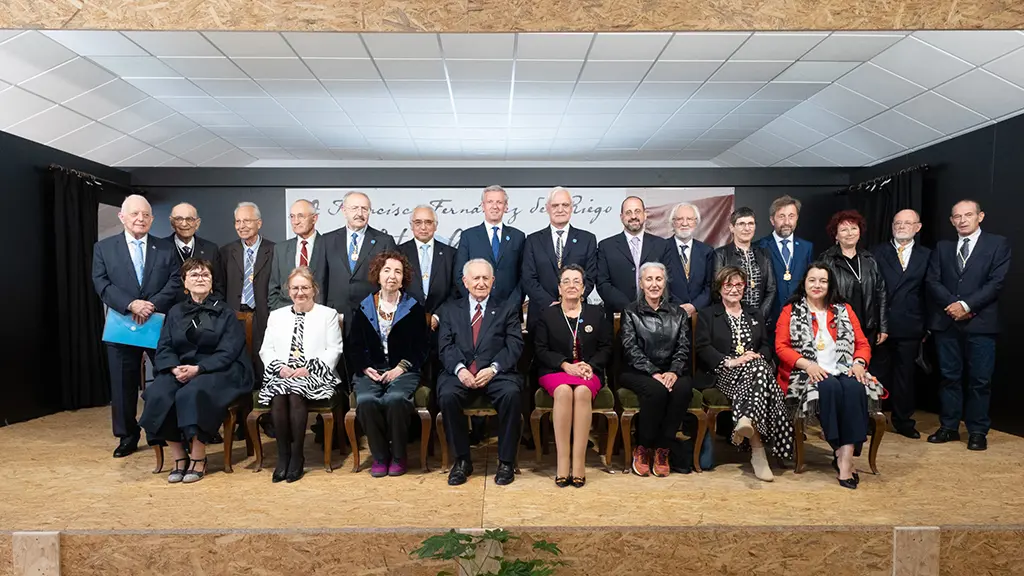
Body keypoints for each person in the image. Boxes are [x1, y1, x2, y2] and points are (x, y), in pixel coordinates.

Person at [139, 258, 253, 483]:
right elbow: (165, 346)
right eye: (194, 275)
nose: (200, 279)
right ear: (184, 282)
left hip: (218, 369)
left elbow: (229, 350)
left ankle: (199, 457)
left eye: (205, 275)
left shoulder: (225, 312)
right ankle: (179, 457)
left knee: (192, 393)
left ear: (212, 282)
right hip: (180, 367)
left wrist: (199, 369)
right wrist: (174, 368)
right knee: (158, 393)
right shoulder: (175, 312)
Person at [775, 263, 884, 489]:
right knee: (829, 387)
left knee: (855, 388)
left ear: (830, 284)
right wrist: (808, 365)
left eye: (823, 281)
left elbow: (862, 343)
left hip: (844, 368)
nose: (817, 285)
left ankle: (845, 456)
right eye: (812, 280)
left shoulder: (844, 309)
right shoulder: (790, 310)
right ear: (804, 283)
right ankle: (839, 449)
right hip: (805, 371)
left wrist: (859, 363)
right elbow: (781, 347)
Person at [92, 194, 181, 458]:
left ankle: (163, 430)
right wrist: (131, 304)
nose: (140, 219)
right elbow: (101, 283)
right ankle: (127, 436)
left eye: (145, 215)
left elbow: (175, 281)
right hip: (122, 325)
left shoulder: (165, 248)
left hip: (157, 323)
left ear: (152, 219)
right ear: (122, 217)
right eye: (134, 214)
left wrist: (150, 305)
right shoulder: (104, 248)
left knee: (166, 378)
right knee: (123, 385)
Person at [926, 200, 1010, 451]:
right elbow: (933, 281)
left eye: (968, 215)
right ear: (951, 221)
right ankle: (949, 427)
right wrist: (954, 306)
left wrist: (966, 305)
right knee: (949, 378)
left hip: (981, 323)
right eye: (957, 216)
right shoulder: (942, 247)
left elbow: (996, 282)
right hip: (947, 323)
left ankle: (977, 431)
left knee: (980, 381)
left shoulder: (997, 244)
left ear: (980, 216)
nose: (962, 220)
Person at [695, 266, 793, 482]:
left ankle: (747, 420)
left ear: (745, 287)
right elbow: (703, 347)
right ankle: (758, 451)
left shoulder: (754, 313)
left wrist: (757, 356)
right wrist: (731, 361)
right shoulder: (708, 314)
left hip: (754, 371)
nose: (734, 289)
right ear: (719, 288)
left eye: (739, 284)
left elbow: (766, 345)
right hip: (722, 372)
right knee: (760, 372)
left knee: (758, 367)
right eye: (728, 284)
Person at [436, 259, 524, 486]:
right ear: (465, 282)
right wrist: (460, 369)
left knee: (511, 394)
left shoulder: (507, 308)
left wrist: (494, 368)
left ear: (493, 281)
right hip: (461, 372)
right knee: (447, 395)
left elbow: (515, 345)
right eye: (476, 278)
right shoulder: (450, 309)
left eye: (486, 278)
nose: (481, 283)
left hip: (496, 372)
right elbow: (445, 346)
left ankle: (506, 462)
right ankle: (462, 461)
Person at [258, 267, 343, 483]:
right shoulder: (276, 316)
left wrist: (309, 369)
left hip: (316, 373)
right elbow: (266, 350)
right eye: (295, 288)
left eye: (305, 287)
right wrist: (280, 367)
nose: (300, 292)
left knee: (296, 393)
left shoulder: (328, 315)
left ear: (314, 289)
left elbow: (334, 349)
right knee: (279, 394)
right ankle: (283, 456)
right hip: (283, 372)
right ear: (288, 291)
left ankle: (297, 456)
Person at [347, 251, 428, 477]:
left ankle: (399, 456)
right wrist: (365, 367)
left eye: (398, 272)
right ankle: (380, 456)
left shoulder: (413, 307)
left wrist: (400, 368)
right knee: (366, 400)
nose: (392, 276)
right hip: (370, 370)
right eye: (387, 270)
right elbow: (354, 345)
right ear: (378, 275)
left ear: (404, 278)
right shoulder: (365, 306)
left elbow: (421, 347)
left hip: (404, 370)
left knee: (396, 399)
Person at [533, 264, 612, 487]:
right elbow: (540, 349)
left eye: (577, 281)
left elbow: (606, 348)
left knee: (583, 392)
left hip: (588, 370)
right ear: (559, 288)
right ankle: (562, 462)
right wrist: (564, 365)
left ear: (584, 288)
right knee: (564, 392)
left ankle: (578, 464)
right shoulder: (547, 314)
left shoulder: (597, 313)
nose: (571, 286)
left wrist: (590, 365)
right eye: (566, 281)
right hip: (556, 370)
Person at [619, 262, 693, 478]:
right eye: (649, 279)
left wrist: (674, 371)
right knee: (657, 391)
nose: (654, 284)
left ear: (665, 282)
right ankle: (643, 447)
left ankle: (663, 448)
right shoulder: (630, 311)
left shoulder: (679, 313)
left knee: (683, 388)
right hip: (637, 371)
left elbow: (683, 347)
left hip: (671, 370)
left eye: (658, 279)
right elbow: (630, 348)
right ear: (641, 283)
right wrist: (653, 372)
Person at [871, 209, 931, 439]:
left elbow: (930, 293)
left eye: (907, 223)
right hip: (880, 326)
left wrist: (927, 326)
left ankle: (903, 421)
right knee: (875, 375)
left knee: (905, 376)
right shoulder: (876, 252)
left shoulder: (927, 255)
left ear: (918, 227)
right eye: (897, 223)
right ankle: (871, 418)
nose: (901, 226)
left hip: (911, 325)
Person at [522, 187, 598, 332]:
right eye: (555, 205)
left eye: (565, 205)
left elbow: (590, 276)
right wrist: (551, 304)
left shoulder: (587, 239)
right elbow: (528, 279)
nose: (560, 209)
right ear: (547, 208)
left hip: (576, 313)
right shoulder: (533, 240)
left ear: (572, 208)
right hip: (541, 314)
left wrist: (570, 300)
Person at [323, 191, 397, 334]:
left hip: (372, 314)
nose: (360, 213)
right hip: (334, 315)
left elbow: (391, 281)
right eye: (354, 208)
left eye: (364, 209)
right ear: (344, 211)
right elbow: (321, 279)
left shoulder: (384, 241)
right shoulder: (327, 240)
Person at [218, 202, 275, 378]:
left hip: (263, 314)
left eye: (247, 221)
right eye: (238, 221)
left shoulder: (274, 250)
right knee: (237, 364)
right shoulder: (226, 252)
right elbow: (220, 286)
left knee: (263, 365)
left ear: (259, 223)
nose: (241, 226)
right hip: (235, 314)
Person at [596, 196, 677, 316]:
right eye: (628, 212)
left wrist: (649, 306)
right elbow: (603, 284)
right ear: (621, 217)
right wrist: (629, 308)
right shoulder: (606, 246)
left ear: (645, 215)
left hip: (655, 315)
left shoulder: (661, 245)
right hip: (618, 315)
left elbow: (668, 280)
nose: (633, 216)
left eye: (637, 211)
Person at [819, 210, 888, 346]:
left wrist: (883, 327)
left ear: (860, 232)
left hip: (868, 328)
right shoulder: (826, 260)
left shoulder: (869, 259)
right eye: (844, 230)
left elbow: (881, 293)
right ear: (836, 235)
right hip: (838, 328)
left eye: (854, 228)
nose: (850, 233)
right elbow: (819, 295)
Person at [453, 185, 526, 304]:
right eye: (490, 202)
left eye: (499, 202)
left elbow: (524, 275)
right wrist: (475, 300)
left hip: (510, 308)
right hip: (476, 307)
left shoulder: (518, 237)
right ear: (483, 206)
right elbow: (459, 274)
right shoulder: (468, 236)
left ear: (506, 207)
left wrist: (513, 303)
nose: (495, 206)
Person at [757, 195, 813, 330]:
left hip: (799, 319)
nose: (787, 222)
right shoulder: (760, 246)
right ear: (772, 220)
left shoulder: (806, 247)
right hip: (769, 320)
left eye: (791, 216)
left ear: (797, 218)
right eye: (781, 216)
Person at [398, 205, 459, 328]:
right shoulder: (399, 252)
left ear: (435, 225)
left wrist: (438, 316)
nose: (423, 227)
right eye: (418, 222)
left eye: (428, 222)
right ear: (411, 225)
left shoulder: (451, 254)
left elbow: (456, 290)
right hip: (406, 322)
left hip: (442, 325)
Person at [713, 207, 776, 322]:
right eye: (741, 224)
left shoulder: (764, 254)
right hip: (729, 319)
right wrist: (733, 316)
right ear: (732, 228)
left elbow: (771, 289)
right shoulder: (721, 254)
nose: (747, 228)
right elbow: (716, 290)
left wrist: (760, 317)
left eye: (750, 223)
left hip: (760, 320)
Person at [269, 199, 328, 311]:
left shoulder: (328, 246)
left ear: (314, 218)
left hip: (319, 314)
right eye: (292, 216)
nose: (295, 222)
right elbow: (273, 289)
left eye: (301, 216)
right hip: (287, 314)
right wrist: (281, 312)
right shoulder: (280, 249)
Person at [166, 202, 222, 302]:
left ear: (197, 223)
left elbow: (218, 287)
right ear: (172, 222)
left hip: (204, 308)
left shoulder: (211, 249)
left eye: (189, 219)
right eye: (179, 219)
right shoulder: (161, 248)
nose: (184, 224)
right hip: (169, 308)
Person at [666, 202, 714, 319]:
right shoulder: (662, 248)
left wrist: (694, 306)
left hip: (700, 316)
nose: (684, 223)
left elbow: (710, 286)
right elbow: (660, 284)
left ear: (696, 222)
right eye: (679, 219)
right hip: (670, 315)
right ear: (673, 222)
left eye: (689, 219)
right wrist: (678, 307)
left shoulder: (706, 251)